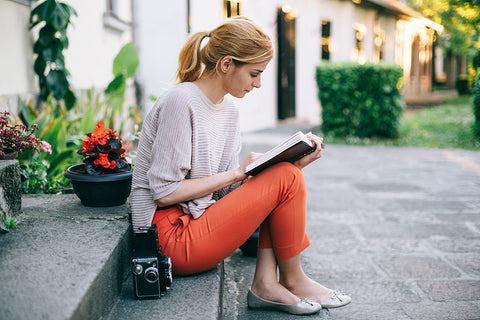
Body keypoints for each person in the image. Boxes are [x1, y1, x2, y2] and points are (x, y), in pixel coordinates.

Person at [131, 16, 351, 315]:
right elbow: (165, 193)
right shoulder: (180, 101)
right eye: (254, 74)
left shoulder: (229, 111)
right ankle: (292, 279)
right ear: (226, 64)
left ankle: (266, 284)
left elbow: (223, 193)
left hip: (200, 221)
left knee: (287, 174)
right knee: (284, 178)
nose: (258, 84)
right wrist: (238, 173)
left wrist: (282, 165)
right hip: (169, 237)